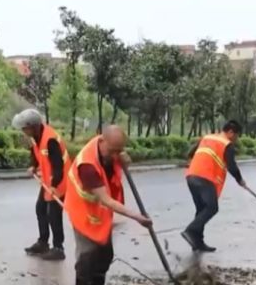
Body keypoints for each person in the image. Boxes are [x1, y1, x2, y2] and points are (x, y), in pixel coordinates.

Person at [64, 125, 153, 285]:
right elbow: (106, 200)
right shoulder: (87, 166)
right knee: (88, 257)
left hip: (99, 212)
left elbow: (113, 164)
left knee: (105, 255)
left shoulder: (105, 149)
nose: (115, 155)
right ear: (102, 140)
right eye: (113, 151)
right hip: (83, 212)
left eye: (119, 151)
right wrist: (136, 217)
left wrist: (123, 158)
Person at [12, 109, 72, 261]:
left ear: (34, 126)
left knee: (53, 215)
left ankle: (59, 248)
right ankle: (43, 242)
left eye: (25, 128)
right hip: (48, 180)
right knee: (40, 209)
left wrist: (54, 186)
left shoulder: (50, 139)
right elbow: (35, 154)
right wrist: (33, 166)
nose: (23, 131)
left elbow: (58, 165)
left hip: (60, 180)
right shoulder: (35, 137)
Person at [181, 120, 246, 252]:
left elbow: (190, 153)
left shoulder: (208, 137)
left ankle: (197, 242)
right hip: (206, 177)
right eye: (236, 135)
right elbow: (231, 166)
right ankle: (191, 231)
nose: (236, 139)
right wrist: (240, 180)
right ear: (231, 132)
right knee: (212, 208)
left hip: (192, 176)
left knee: (201, 209)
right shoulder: (226, 144)